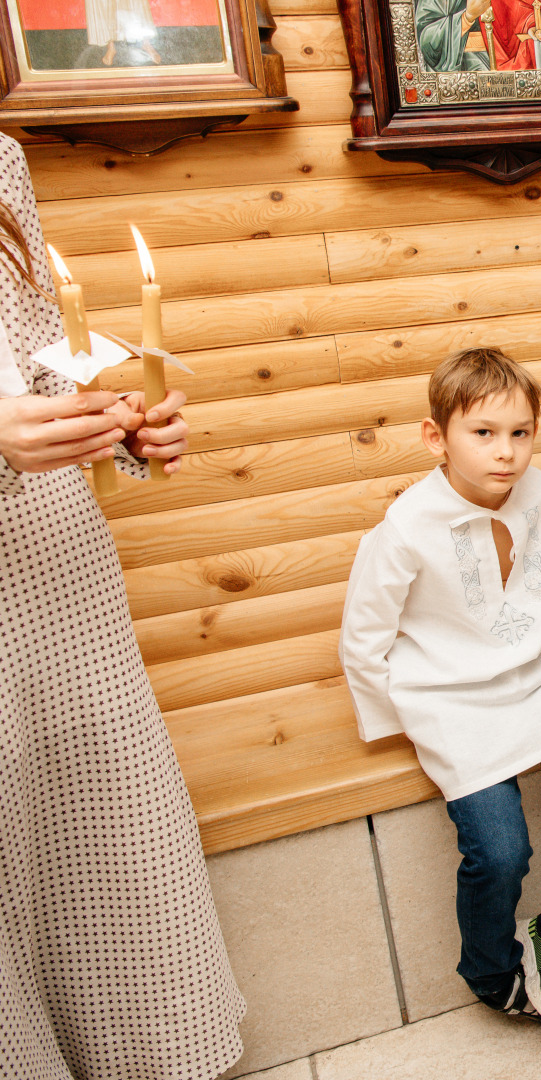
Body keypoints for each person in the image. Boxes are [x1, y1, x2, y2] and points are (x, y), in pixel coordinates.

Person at [0, 135, 245, 1079]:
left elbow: (36, 356)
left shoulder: (1, 162)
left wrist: (120, 424)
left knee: (115, 854)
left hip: (61, 575)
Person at [340, 347, 541, 1032]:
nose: (504, 452)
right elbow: (363, 640)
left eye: (519, 433)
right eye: (482, 433)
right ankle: (487, 969)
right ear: (436, 437)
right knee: (502, 850)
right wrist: (407, 720)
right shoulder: (402, 532)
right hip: (449, 702)